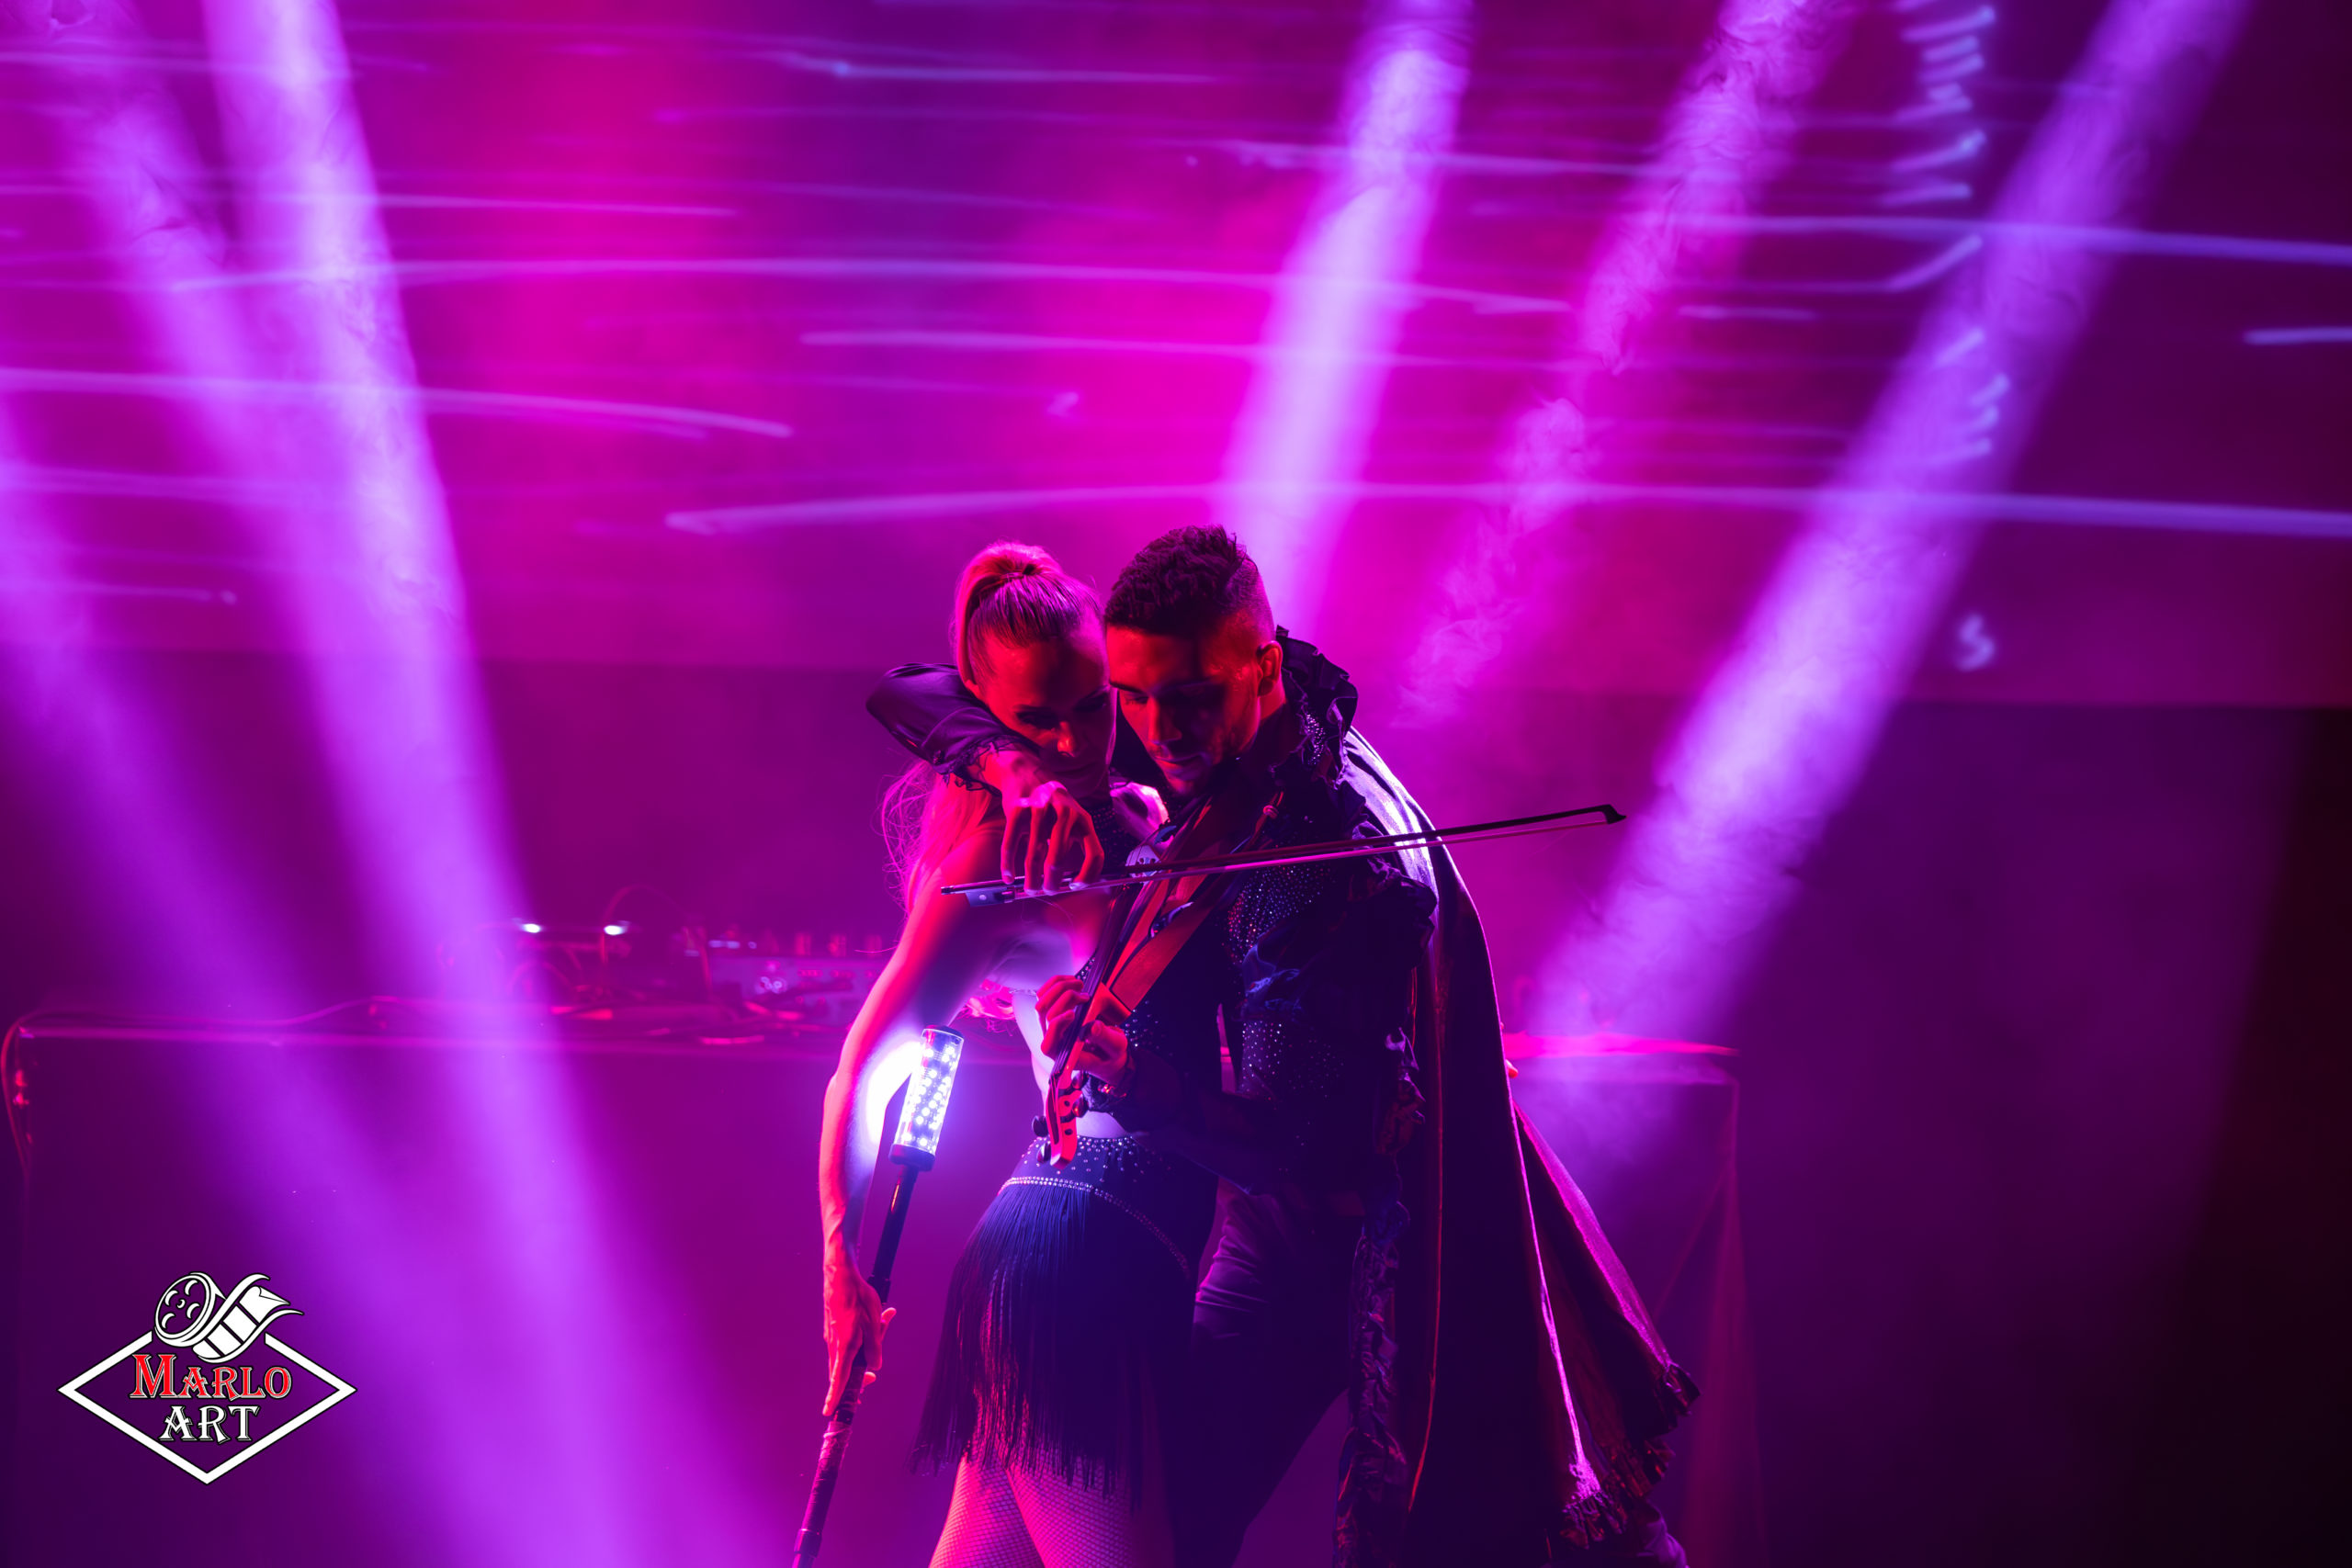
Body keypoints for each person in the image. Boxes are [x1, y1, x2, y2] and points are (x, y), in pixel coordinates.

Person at [868, 526, 1695, 1568]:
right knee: (1124, 1512)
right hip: (1268, 1237)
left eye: (1189, 696)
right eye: (1133, 696)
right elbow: (912, 689)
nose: (1154, 731)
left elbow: (1289, 1145)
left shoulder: (1310, 852)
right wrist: (1009, 765)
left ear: (1259, 664)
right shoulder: (1232, 720)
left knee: (1528, 1512)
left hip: (1359, 1232)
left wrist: (1145, 1083)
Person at [816, 542, 1191, 1568]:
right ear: (987, 720)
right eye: (1036, 722)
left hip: (1100, 1250)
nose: (1075, 740)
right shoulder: (993, 862)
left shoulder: (1145, 812)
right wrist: (840, 1270)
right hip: (1074, 1255)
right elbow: (865, 1065)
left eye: (1091, 705)